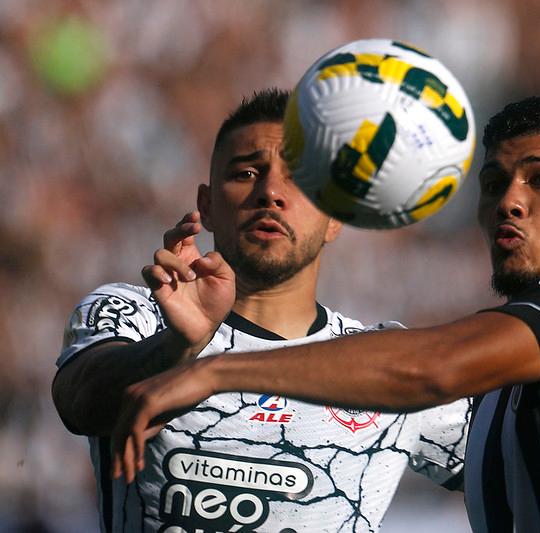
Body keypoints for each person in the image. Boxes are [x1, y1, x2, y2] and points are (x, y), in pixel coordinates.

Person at [108, 95, 540, 532]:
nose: (509, 201)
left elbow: (431, 367)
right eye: (493, 183)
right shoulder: (523, 384)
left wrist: (217, 373)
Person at [52, 89, 471, 533]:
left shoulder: (385, 366)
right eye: (247, 172)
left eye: (299, 178)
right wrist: (178, 347)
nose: (270, 191)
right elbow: (81, 405)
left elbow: (529, 465)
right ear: (208, 205)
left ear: (335, 217)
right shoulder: (138, 315)